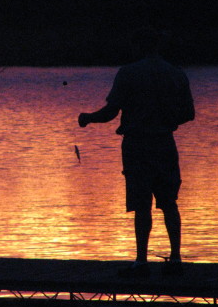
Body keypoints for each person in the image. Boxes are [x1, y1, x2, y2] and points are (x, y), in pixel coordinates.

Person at [78, 28, 195, 277]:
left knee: (142, 205)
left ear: (138, 46)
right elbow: (188, 114)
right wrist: (166, 120)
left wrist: (88, 118)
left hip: (137, 145)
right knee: (169, 203)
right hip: (165, 142)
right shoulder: (176, 73)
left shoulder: (128, 73)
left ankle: (141, 263)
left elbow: (111, 112)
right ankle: (176, 260)